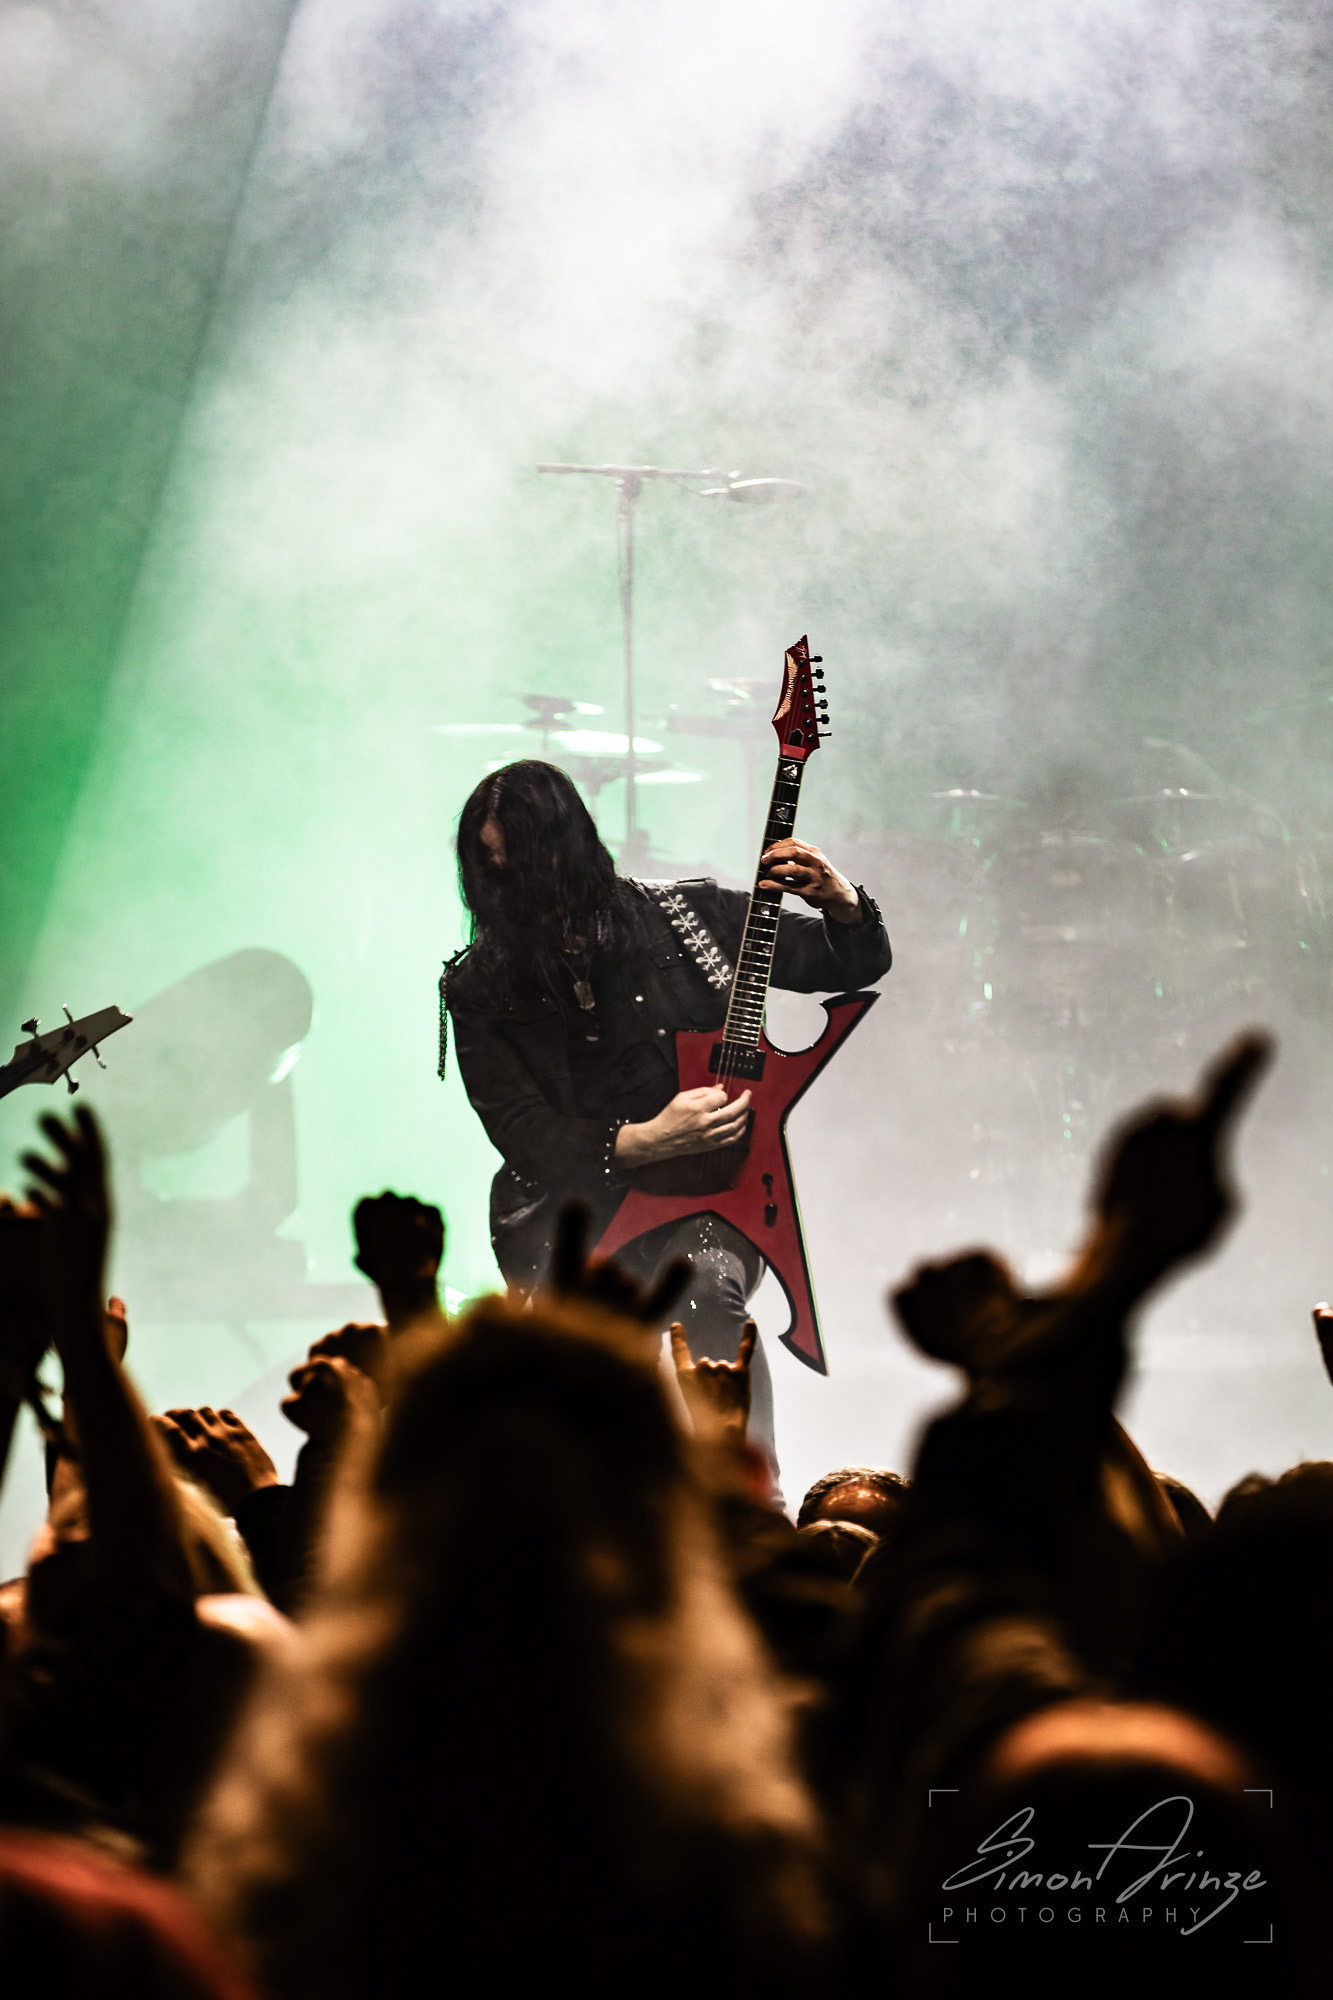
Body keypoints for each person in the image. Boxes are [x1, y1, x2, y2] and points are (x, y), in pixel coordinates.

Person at [443, 760, 893, 1468]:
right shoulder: (478, 985)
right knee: (579, 1384)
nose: (509, 888)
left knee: (704, 1286)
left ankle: (751, 1497)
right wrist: (641, 1141)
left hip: (708, 1198)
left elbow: (845, 964)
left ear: (567, 847)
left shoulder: (690, 918)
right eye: (490, 869)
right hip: (572, 1212)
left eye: (520, 863)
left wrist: (842, 901)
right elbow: (521, 1131)